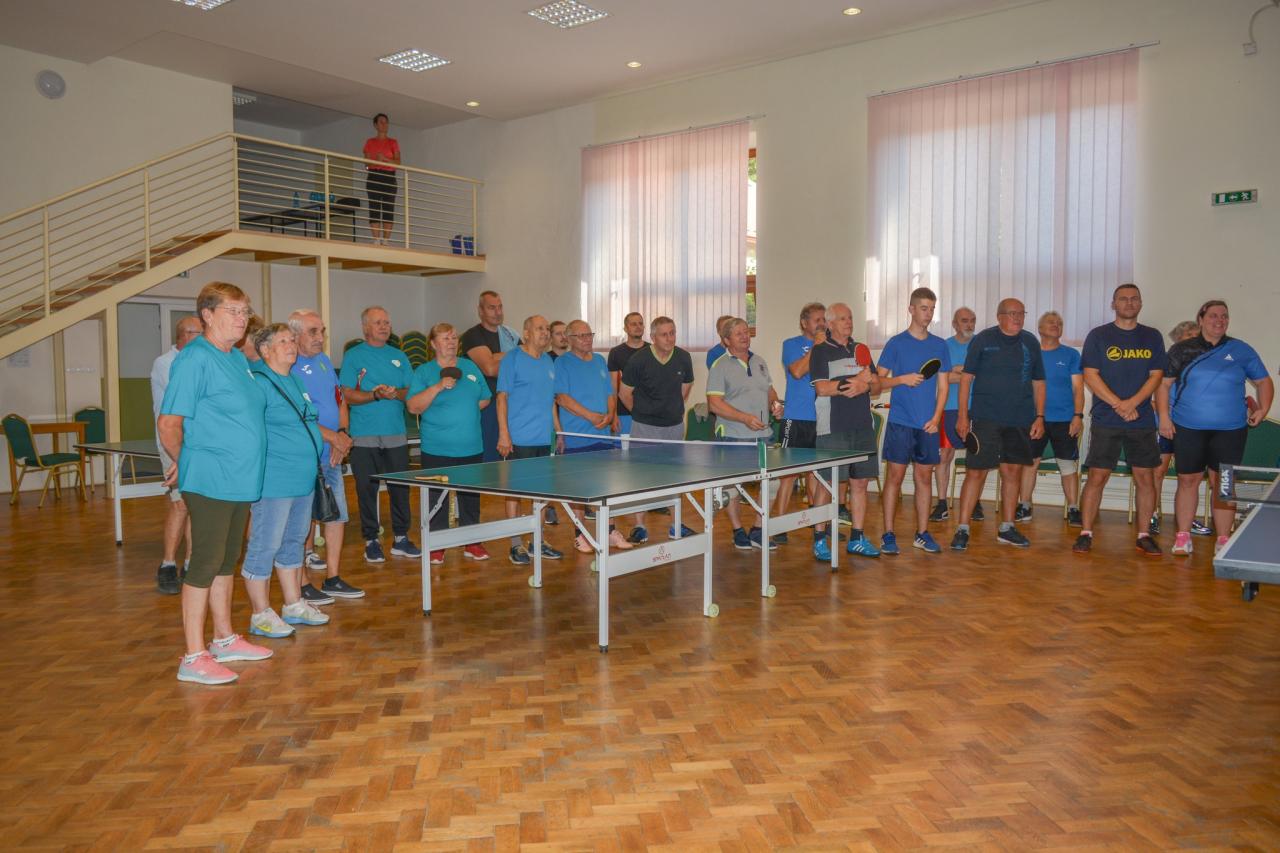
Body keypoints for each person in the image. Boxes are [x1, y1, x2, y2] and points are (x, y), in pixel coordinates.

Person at [157, 281, 271, 685]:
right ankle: (193, 655)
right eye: (233, 311)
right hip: (211, 478)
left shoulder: (236, 357)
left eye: (245, 311)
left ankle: (224, 639)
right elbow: (169, 424)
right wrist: (186, 461)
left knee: (226, 559)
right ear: (207, 315)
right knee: (204, 562)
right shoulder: (195, 358)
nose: (242, 319)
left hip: (240, 477)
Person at [1159, 300, 1274, 555]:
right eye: (1213, 316)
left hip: (1230, 430)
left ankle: (1223, 539)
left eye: (1224, 316)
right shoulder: (1181, 349)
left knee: (1223, 483)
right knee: (1188, 480)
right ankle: (1183, 537)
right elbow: (1164, 385)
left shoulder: (1241, 349)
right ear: (1201, 319)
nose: (1219, 320)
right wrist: (1164, 418)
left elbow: (1264, 381)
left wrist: (1263, 409)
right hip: (1188, 427)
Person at [240, 323, 329, 639]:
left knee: (294, 541)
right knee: (265, 544)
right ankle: (260, 613)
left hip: (302, 478)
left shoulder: (293, 379)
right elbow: (248, 430)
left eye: (292, 340)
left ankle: (293, 604)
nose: (292, 345)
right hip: (274, 481)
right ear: (265, 350)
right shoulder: (259, 382)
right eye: (283, 341)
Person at [1074, 284, 1166, 556]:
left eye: (1134, 298)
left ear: (1141, 303)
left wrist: (1133, 403)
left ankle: (1144, 535)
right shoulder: (1099, 335)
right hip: (1107, 418)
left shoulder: (1152, 336)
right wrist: (1119, 404)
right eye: (1123, 299)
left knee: (1145, 478)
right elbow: (1090, 375)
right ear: (1113, 304)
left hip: (1141, 420)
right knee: (1097, 476)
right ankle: (1086, 533)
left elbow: (1156, 376)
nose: (1129, 303)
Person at [949, 298, 1046, 551]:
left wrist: (1039, 417)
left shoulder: (1030, 342)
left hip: (1020, 419)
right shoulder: (983, 339)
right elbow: (966, 379)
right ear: (999, 316)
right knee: (976, 472)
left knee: (1012, 473)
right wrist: (962, 416)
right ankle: (962, 528)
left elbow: (1039, 382)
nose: (1018, 318)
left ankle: (1007, 528)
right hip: (985, 419)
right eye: (1012, 313)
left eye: (1021, 313)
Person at [288, 310, 363, 603]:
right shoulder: (288, 366)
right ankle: (302, 583)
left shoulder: (323, 361)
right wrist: (334, 438)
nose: (320, 337)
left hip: (331, 455)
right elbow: (297, 415)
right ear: (295, 335)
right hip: (303, 456)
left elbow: (339, 400)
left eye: (322, 331)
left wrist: (342, 435)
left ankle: (333, 577)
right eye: (313, 332)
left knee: (337, 515)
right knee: (300, 522)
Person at [407, 322, 493, 564]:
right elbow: (413, 406)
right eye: (445, 338)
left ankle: (472, 543)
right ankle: (437, 545)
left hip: (471, 446)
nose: (452, 342)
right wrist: (438, 386)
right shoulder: (424, 372)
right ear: (433, 344)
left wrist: (463, 413)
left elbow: (485, 398)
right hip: (437, 448)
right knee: (437, 499)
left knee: (470, 498)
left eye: (454, 337)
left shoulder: (470, 367)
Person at [338, 306, 419, 564]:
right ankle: (371, 540)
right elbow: (347, 394)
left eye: (386, 322)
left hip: (395, 433)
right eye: (378, 323)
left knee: (400, 488)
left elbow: (411, 391)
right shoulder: (353, 356)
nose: (384, 327)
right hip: (364, 435)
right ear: (365, 328)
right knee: (366, 489)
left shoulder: (399, 356)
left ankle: (401, 538)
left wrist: (395, 393)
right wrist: (375, 395)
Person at [875, 288, 950, 555]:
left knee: (924, 478)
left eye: (932, 309)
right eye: (924, 308)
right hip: (900, 423)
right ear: (911, 309)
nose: (928, 314)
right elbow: (876, 383)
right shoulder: (896, 343)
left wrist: (936, 418)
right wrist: (901, 379)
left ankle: (922, 534)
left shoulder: (940, 345)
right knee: (894, 478)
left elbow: (943, 387)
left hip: (928, 425)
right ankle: (888, 534)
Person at [808, 302, 881, 560]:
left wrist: (867, 386)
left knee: (860, 482)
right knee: (827, 483)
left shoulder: (861, 349)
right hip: (833, 428)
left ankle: (857, 538)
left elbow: (877, 386)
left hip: (862, 426)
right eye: (842, 318)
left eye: (849, 317)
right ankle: (819, 540)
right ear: (830, 324)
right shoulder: (820, 351)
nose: (848, 322)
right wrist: (854, 383)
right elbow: (822, 388)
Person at [553, 319, 632, 552]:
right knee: (578, 489)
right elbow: (562, 398)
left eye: (590, 334)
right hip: (577, 436)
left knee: (607, 486)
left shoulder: (599, 360)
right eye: (582, 336)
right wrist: (591, 417)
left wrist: (609, 415)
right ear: (569, 339)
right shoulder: (562, 363)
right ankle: (580, 534)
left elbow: (610, 393)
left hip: (603, 435)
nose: (587, 339)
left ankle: (609, 531)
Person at [707, 317, 784, 549]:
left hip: (763, 435)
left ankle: (758, 529)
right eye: (738, 333)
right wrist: (744, 418)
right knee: (733, 487)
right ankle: (737, 530)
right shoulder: (720, 365)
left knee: (772, 483)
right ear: (726, 340)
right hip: (733, 435)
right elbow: (714, 404)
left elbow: (769, 390)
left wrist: (775, 404)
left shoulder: (759, 361)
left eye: (746, 332)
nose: (744, 336)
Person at [619, 316, 695, 544]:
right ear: (653, 337)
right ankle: (639, 526)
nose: (670, 338)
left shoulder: (684, 358)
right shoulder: (638, 360)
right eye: (664, 334)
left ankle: (676, 523)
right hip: (644, 427)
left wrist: (669, 411)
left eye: (672, 333)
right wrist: (644, 414)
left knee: (674, 477)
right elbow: (624, 394)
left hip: (674, 427)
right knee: (642, 477)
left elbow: (685, 389)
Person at [496, 315, 564, 565]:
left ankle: (537, 541)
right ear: (526, 333)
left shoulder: (548, 361)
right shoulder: (512, 359)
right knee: (515, 493)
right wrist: (504, 433)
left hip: (543, 439)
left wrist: (558, 431)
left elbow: (551, 401)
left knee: (542, 493)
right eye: (539, 329)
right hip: (518, 439)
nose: (545, 333)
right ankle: (516, 544)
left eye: (547, 329)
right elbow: (501, 397)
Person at [1015, 311, 1084, 526]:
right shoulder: (1029, 354)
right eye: (1051, 322)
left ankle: (1073, 508)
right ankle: (1024, 505)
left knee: (1067, 465)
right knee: (1030, 463)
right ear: (1040, 329)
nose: (1056, 325)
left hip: (1064, 419)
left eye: (1059, 323)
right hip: (1034, 420)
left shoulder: (1071, 355)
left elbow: (1078, 388)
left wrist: (1078, 416)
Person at [150, 315, 202, 595]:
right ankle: (168, 564)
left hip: (199, 444)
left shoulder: (199, 360)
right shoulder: (165, 363)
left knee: (196, 505)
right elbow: (191, 396)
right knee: (180, 504)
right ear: (184, 335)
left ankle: (191, 563)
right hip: (174, 444)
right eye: (199, 333)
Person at [771, 302, 826, 548]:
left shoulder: (828, 347)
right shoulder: (791, 344)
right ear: (804, 323)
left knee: (816, 474)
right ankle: (779, 526)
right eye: (817, 320)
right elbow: (797, 371)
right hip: (796, 418)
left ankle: (818, 527)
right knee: (788, 475)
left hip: (821, 420)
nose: (822, 324)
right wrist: (816, 346)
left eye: (824, 319)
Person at [1150, 319, 1207, 536]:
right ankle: (1152, 515)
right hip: (1164, 426)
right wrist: (1164, 414)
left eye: (1195, 337)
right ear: (1177, 341)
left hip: (1191, 427)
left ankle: (1187, 519)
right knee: (1158, 472)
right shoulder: (1165, 363)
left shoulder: (1204, 367)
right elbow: (1150, 396)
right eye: (1188, 337)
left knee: (1190, 477)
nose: (1193, 341)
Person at [931, 307, 982, 522]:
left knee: (977, 456)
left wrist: (958, 371)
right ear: (954, 324)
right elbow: (941, 378)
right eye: (964, 320)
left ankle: (975, 502)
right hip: (948, 407)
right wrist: (967, 372)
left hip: (977, 408)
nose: (969, 324)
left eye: (972, 320)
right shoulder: (944, 346)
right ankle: (942, 503)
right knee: (944, 456)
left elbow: (984, 375)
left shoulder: (981, 343)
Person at [461, 291, 517, 462]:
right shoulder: (472, 335)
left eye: (500, 307)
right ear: (480, 310)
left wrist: (495, 355)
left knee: (512, 462)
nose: (497, 312)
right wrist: (513, 355)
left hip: (511, 403)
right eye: (492, 308)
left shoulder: (510, 335)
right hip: (487, 406)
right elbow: (490, 369)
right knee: (489, 462)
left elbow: (526, 361)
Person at [363, 112, 400, 245]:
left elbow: (398, 163)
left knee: (388, 207)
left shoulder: (393, 142)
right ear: (375, 125)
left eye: (386, 122)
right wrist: (376, 162)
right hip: (374, 175)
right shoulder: (370, 142)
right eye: (381, 122)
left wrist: (384, 159)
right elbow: (367, 164)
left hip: (389, 177)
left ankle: (386, 240)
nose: (384, 124)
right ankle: (376, 239)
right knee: (374, 207)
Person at [607, 311, 647, 437]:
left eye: (640, 323)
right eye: (633, 324)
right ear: (625, 328)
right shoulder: (616, 352)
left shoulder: (653, 350)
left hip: (649, 414)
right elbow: (613, 387)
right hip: (623, 414)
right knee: (623, 449)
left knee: (650, 448)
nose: (638, 327)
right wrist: (613, 415)